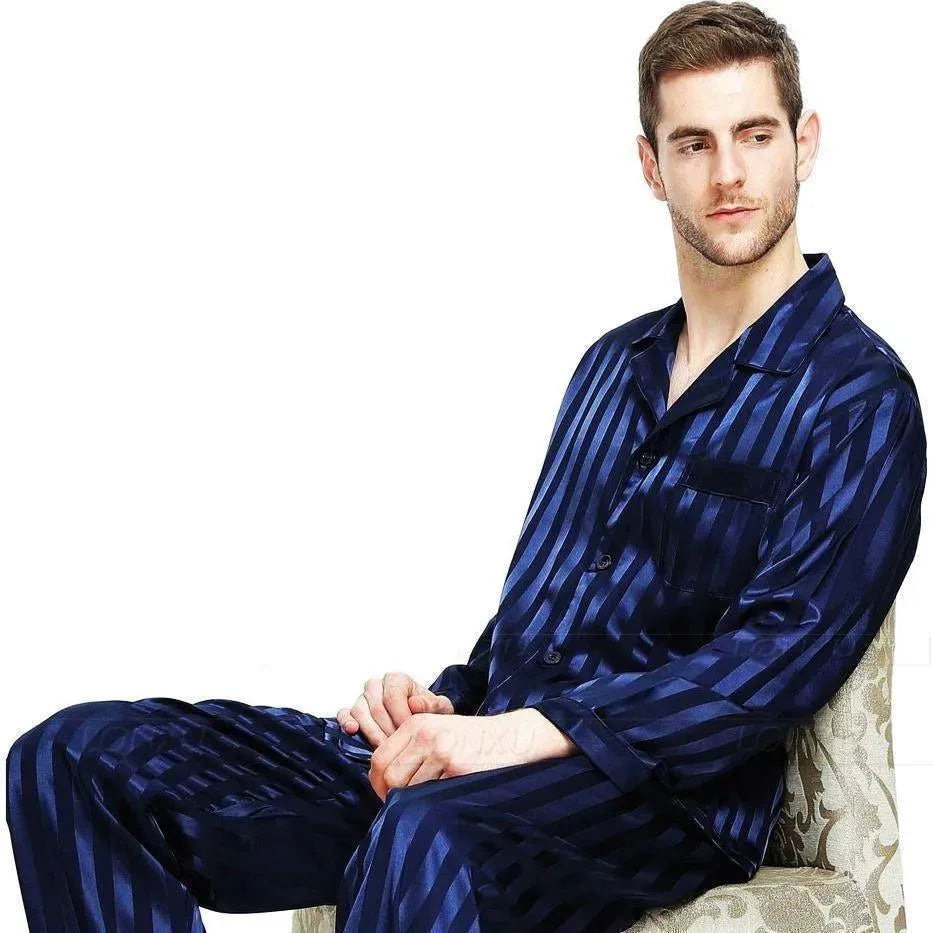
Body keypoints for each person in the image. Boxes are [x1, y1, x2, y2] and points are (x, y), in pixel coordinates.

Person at [6, 3, 926, 932]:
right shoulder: (610, 367)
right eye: (693, 143)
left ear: (804, 143)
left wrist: (514, 736)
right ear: (651, 166)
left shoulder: (858, 396)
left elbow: (770, 665)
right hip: (491, 757)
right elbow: (542, 613)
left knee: (424, 833)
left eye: (754, 135)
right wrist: (444, 701)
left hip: (659, 802)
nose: (727, 172)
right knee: (72, 758)